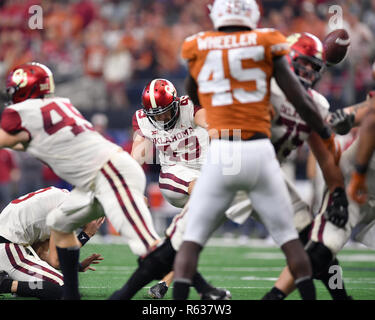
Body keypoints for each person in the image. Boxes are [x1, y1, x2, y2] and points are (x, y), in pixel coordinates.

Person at [172, 0, 340, 301]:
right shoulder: (267, 42)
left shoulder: (201, 45)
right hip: (261, 155)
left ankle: (178, 304)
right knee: (292, 242)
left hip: (225, 153)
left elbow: (193, 91)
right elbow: (302, 101)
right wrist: (326, 129)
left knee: (191, 241)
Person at [0, 62, 161, 299]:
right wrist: (85, 236)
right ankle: (5, 284)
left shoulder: (24, 113)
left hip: (107, 174)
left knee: (148, 247)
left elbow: (50, 255)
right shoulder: (63, 105)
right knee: (63, 277)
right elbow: (52, 258)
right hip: (114, 169)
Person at [108, 78, 230, 300]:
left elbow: (207, 122)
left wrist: (215, 130)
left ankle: (166, 280)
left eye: (165, 111)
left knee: (192, 233)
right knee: (200, 195)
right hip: (176, 173)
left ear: (175, 103)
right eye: (156, 114)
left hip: (206, 173)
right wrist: (133, 189)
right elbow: (137, 157)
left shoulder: (188, 106)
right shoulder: (142, 120)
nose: (162, 118)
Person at [261, 94, 375, 299]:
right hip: (358, 182)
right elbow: (364, 118)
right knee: (321, 246)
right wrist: (346, 116)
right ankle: (274, 296)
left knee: (318, 246)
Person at [0, 186, 104, 300]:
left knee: (47, 287)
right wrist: (86, 234)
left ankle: (15, 283)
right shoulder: (68, 208)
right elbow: (56, 261)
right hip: (8, 249)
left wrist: (77, 266)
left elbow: (42, 254)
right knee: (66, 290)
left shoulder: (60, 199)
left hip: (10, 246)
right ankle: (4, 284)